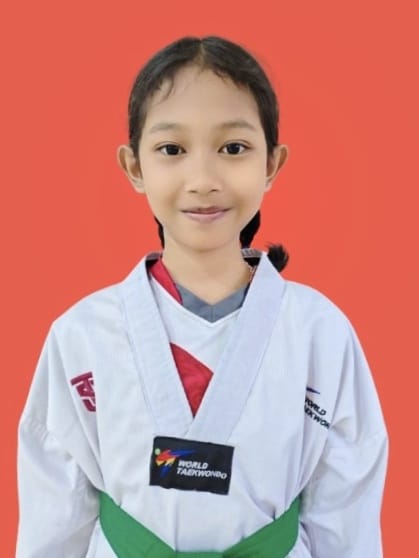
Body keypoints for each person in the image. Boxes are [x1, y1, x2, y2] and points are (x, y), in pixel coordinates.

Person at [16, 36, 388, 557]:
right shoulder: (81, 336)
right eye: (172, 150)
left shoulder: (319, 334)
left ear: (272, 164)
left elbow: (347, 515)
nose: (203, 179)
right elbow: (53, 517)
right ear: (134, 167)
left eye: (233, 149)